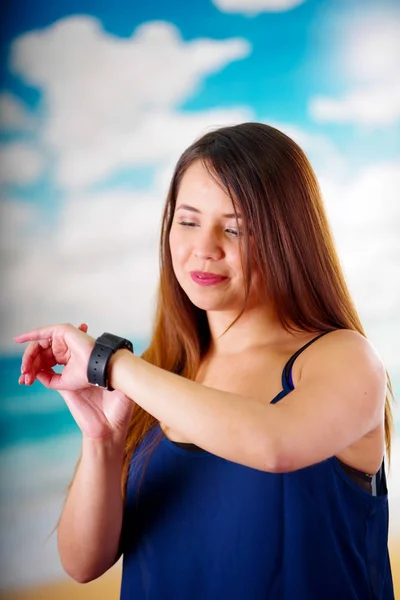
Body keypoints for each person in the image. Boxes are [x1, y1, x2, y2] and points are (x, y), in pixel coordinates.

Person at [14, 122, 395, 599]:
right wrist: (105, 441)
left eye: (234, 228)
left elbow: (274, 444)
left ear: (290, 238)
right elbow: (82, 563)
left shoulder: (343, 358)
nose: (204, 248)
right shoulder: (160, 378)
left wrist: (114, 366)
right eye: (188, 221)